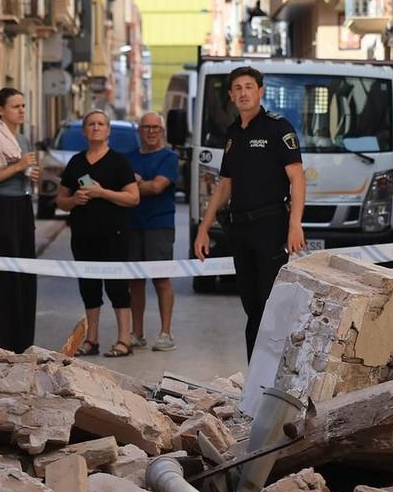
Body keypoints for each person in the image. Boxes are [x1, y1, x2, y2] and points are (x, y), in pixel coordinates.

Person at [193, 65, 306, 358]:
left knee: (271, 304)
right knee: (252, 306)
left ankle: (273, 376)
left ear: (261, 91)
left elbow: (297, 178)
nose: (244, 93)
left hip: (270, 225)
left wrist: (295, 225)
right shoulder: (232, 134)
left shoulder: (277, 127)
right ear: (231, 95)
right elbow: (224, 185)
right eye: (238, 89)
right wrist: (204, 228)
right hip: (239, 229)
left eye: (249, 87)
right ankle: (256, 378)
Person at [57, 110, 141, 356]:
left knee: (117, 287)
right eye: (91, 124)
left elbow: (133, 198)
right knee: (88, 287)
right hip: (83, 236)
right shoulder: (75, 163)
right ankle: (91, 340)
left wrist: (103, 193)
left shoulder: (119, 162)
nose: (96, 128)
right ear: (84, 131)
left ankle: (124, 339)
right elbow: (60, 200)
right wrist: (74, 199)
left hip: (114, 235)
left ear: (108, 131)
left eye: (101, 124)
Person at [0, 87, 41, 351]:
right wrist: (18, 167)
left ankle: (22, 340)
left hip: (22, 206)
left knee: (24, 274)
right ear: (0, 110)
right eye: (16, 106)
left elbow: (23, 170)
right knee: (1, 275)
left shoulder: (23, 140)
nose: (22, 111)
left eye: (23, 106)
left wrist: (30, 174)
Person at [124, 112, 181, 351]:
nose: (150, 131)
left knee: (161, 279)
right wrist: (139, 185)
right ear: (139, 130)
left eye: (155, 127)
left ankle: (165, 334)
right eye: (146, 127)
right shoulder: (127, 158)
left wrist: (135, 184)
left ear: (162, 130)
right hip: (131, 224)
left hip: (159, 224)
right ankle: (137, 333)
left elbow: (158, 187)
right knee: (135, 281)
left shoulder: (169, 157)